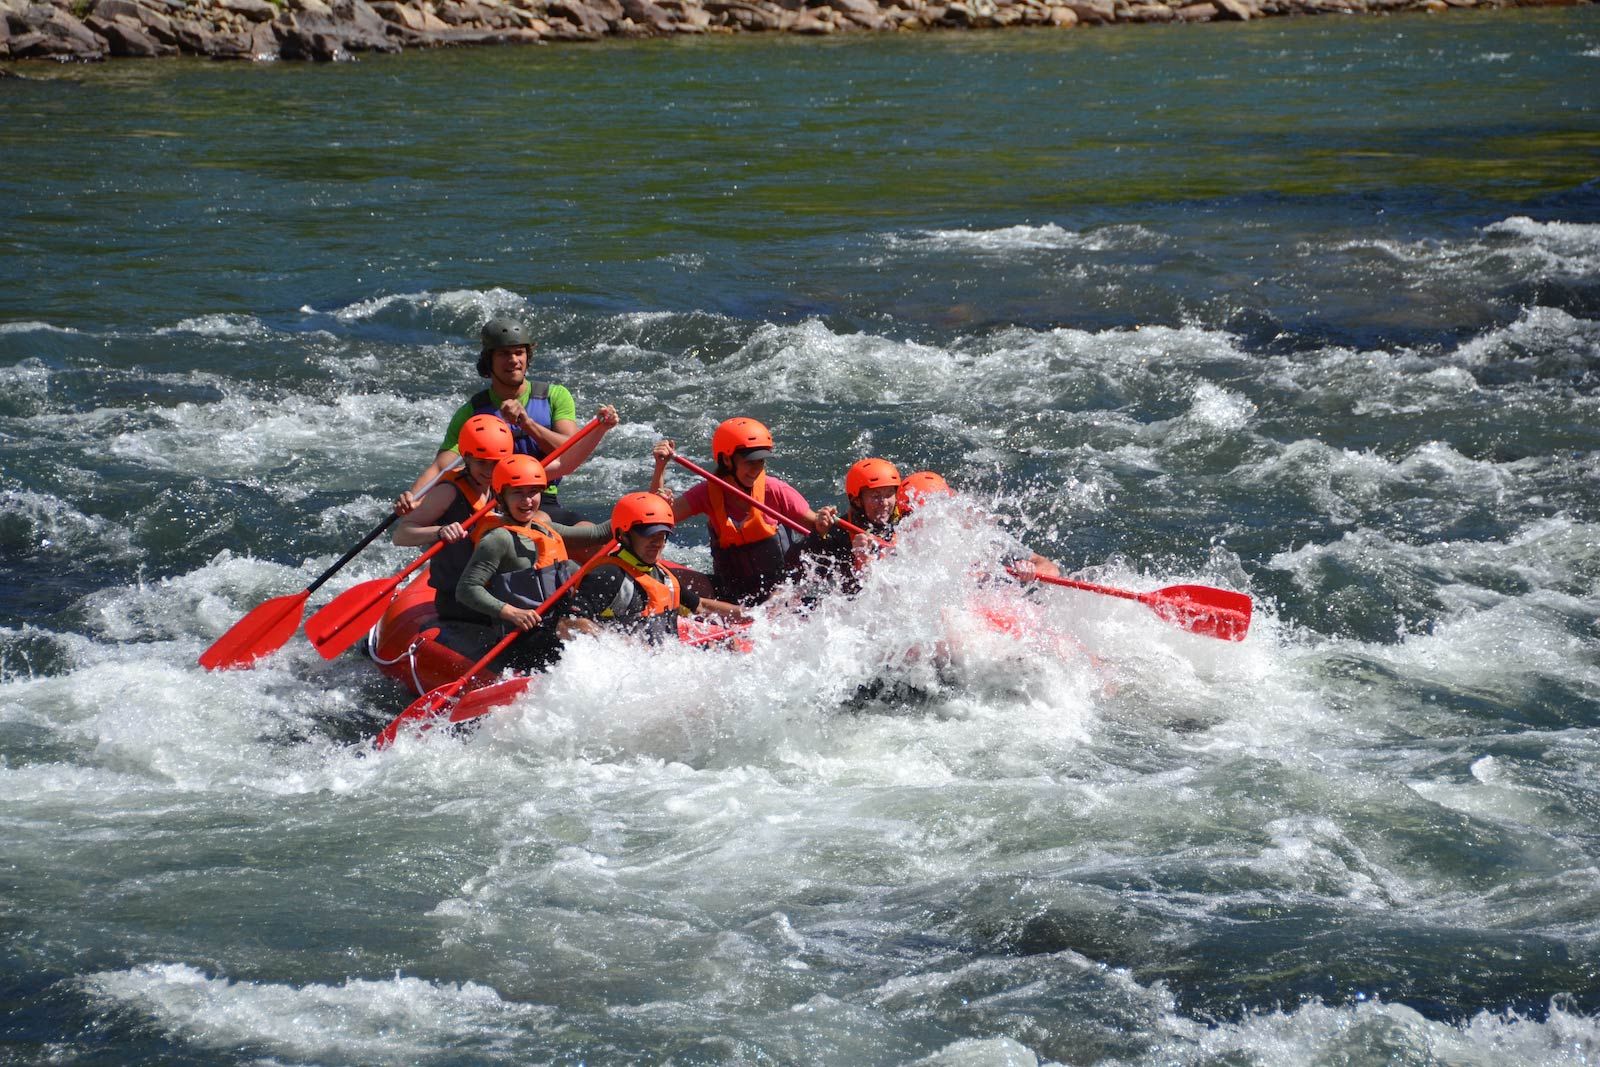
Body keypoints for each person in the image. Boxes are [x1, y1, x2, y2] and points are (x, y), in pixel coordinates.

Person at [398, 317, 606, 525]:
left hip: (538, 497)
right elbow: (440, 467)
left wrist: (527, 424)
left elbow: (570, 452)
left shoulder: (555, 396)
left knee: (588, 531)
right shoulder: (472, 412)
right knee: (540, 522)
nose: (514, 360)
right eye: (504, 353)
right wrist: (414, 497)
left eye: (519, 352)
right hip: (493, 501)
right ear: (490, 361)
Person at [650, 417, 837, 605]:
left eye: (761, 461)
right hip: (730, 592)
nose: (756, 469)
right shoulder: (708, 492)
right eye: (750, 462)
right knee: (659, 576)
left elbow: (817, 528)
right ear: (726, 459)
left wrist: (822, 522)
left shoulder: (775, 490)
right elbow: (654, 520)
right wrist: (660, 468)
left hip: (780, 591)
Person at [453, 454, 613, 672]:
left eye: (533, 492)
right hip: (520, 637)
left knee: (608, 628)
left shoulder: (542, 527)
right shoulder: (497, 539)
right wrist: (511, 613)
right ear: (501, 498)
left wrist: (649, 504)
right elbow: (466, 589)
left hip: (556, 624)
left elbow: (598, 533)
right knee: (584, 629)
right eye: (518, 493)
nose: (527, 501)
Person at [568, 492, 747, 643]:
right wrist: (622, 646)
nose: (657, 542)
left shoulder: (661, 574)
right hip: (625, 669)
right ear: (624, 535)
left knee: (730, 643)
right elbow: (569, 623)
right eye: (649, 535)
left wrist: (750, 615)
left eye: (662, 535)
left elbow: (700, 605)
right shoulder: (608, 575)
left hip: (660, 660)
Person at [392, 413, 515, 623]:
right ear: (466, 458)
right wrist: (440, 531)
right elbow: (401, 535)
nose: (489, 471)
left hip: (493, 589)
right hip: (460, 598)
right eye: (482, 463)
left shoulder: (500, 486)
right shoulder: (448, 491)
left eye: (495, 463)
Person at [896, 469, 1062, 583]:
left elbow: (1050, 568)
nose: (924, 523)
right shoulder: (897, 544)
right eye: (912, 516)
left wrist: (1030, 571)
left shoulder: (978, 536)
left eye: (933, 514)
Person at [786, 457, 904, 597]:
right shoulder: (839, 535)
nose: (884, 503)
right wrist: (818, 535)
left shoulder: (903, 524)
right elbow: (794, 568)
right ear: (857, 501)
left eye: (889, 494)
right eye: (875, 496)